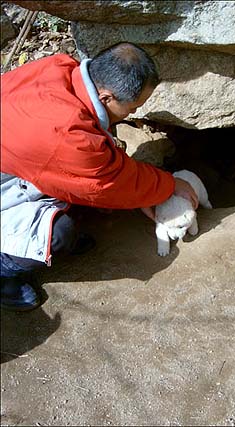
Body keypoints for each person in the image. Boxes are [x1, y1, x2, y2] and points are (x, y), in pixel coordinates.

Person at [0, 42, 198, 311]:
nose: (135, 113)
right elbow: (111, 183)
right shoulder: (68, 134)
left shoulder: (57, 66)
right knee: (59, 232)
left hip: (15, 162)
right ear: (105, 97)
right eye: (132, 108)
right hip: (10, 181)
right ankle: (5, 269)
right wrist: (170, 184)